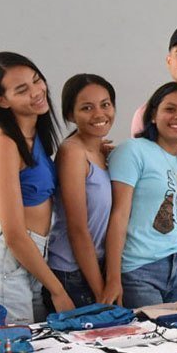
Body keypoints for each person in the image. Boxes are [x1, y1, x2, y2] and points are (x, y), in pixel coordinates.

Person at [0, 52, 74, 323]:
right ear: (1, 101)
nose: (36, 92)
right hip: (4, 262)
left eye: (37, 81)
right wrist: (57, 290)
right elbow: (13, 233)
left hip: (28, 261)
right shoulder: (5, 144)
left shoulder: (34, 136)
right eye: (22, 89)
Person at [103, 82, 177, 308]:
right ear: (154, 115)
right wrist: (113, 278)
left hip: (176, 269)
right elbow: (118, 217)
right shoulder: (133, 150)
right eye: (170, 109)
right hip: (139, 271)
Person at [45, 74, 116, 308]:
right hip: (72, 273)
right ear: (70, 114)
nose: (99, 114)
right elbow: (77, 229)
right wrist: (101, 292)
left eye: (105, 104)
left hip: (94, 266)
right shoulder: (72, 152)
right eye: (87, 108)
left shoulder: (100, 151)